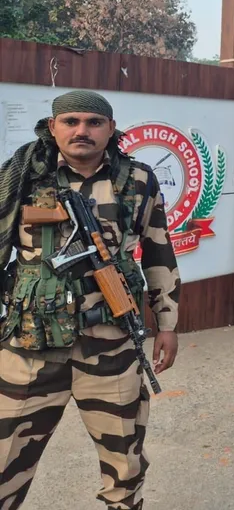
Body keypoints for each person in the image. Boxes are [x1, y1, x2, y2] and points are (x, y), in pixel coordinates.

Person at [0, 90, 181, 509]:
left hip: (111, 343)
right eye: (71, 122)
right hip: (31, 343)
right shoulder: (22, 175)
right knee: (5, 459)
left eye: (94, 123)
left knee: (124, 464)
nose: (82, 131)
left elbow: (158, 252)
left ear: (111, 129)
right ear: (53, 127)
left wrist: (167, 324)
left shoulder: (137, 179)